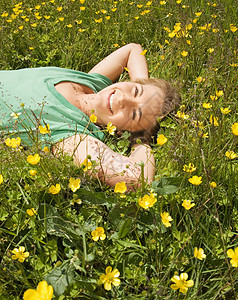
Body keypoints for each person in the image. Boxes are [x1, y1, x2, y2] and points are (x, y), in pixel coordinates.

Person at [0, 43, 180, 188]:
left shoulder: (73, 134)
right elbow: (132, 49)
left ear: (121, 132)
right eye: (134, 91)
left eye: (134, 113)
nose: (123, 99)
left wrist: (141, 140)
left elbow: (137, 179)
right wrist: (142, 83)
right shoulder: (92, 82)